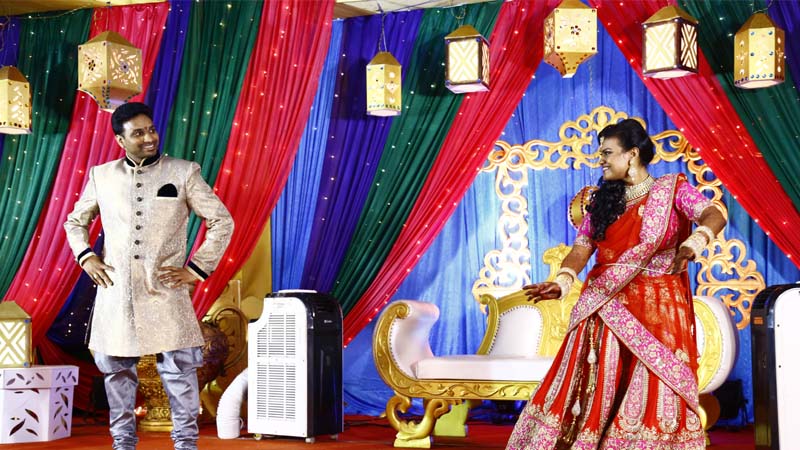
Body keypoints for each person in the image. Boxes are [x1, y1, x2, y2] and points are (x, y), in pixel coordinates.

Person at [506, 119, 726, 450]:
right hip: (606, 308)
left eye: (607, 153)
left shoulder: (672, 190)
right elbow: (581, 249)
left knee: (656, 386)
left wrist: (695, 242)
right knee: (601, 387)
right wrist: (562, 282)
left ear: (632, 154)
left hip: (658, 311)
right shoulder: (601, 202)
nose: (601, 160)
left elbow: (713, 213)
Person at [64, 102, 234, 450]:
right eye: (138, 133)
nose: (149, 138)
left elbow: (221, 220)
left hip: (165, 291)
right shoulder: (102, 176)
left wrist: (196, 269)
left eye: (151, 129)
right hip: (117, 291)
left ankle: (186, 444)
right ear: (120, 140)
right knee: (116, 372)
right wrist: (86, 256)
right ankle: (123, 443)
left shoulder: (183, 172)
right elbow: (74, 222)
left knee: (180, 371)